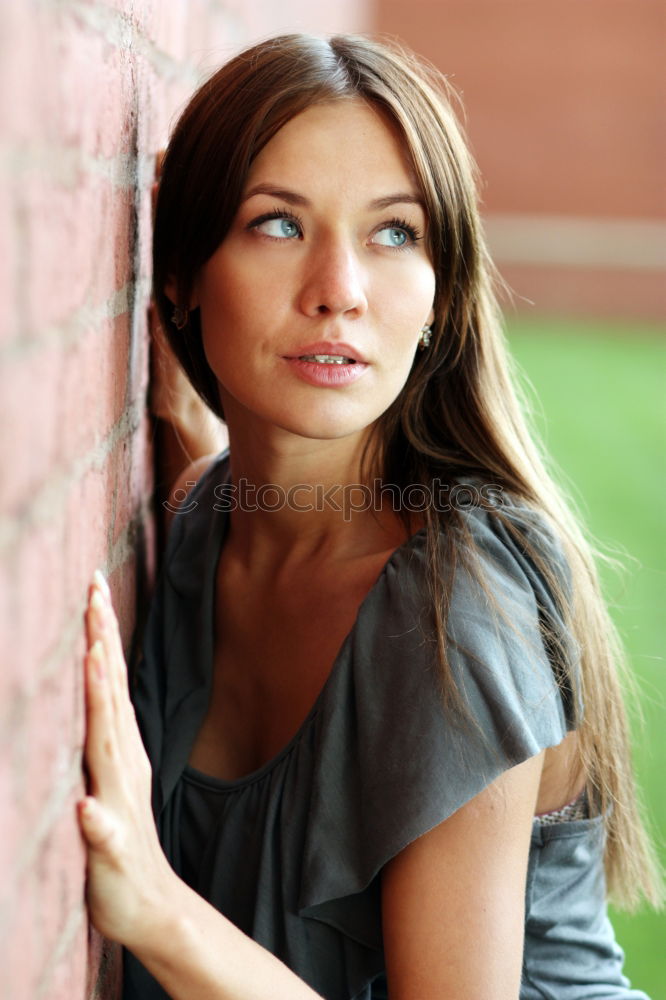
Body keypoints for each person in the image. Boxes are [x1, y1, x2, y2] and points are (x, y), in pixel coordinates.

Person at [78, 33, 661, 1000]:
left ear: (440, 298)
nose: (339, 293)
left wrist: (153, 904)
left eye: (395, 233)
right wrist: (195, 402)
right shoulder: (204, 523)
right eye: (277, 225)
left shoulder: (455, 611)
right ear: (178, 272)